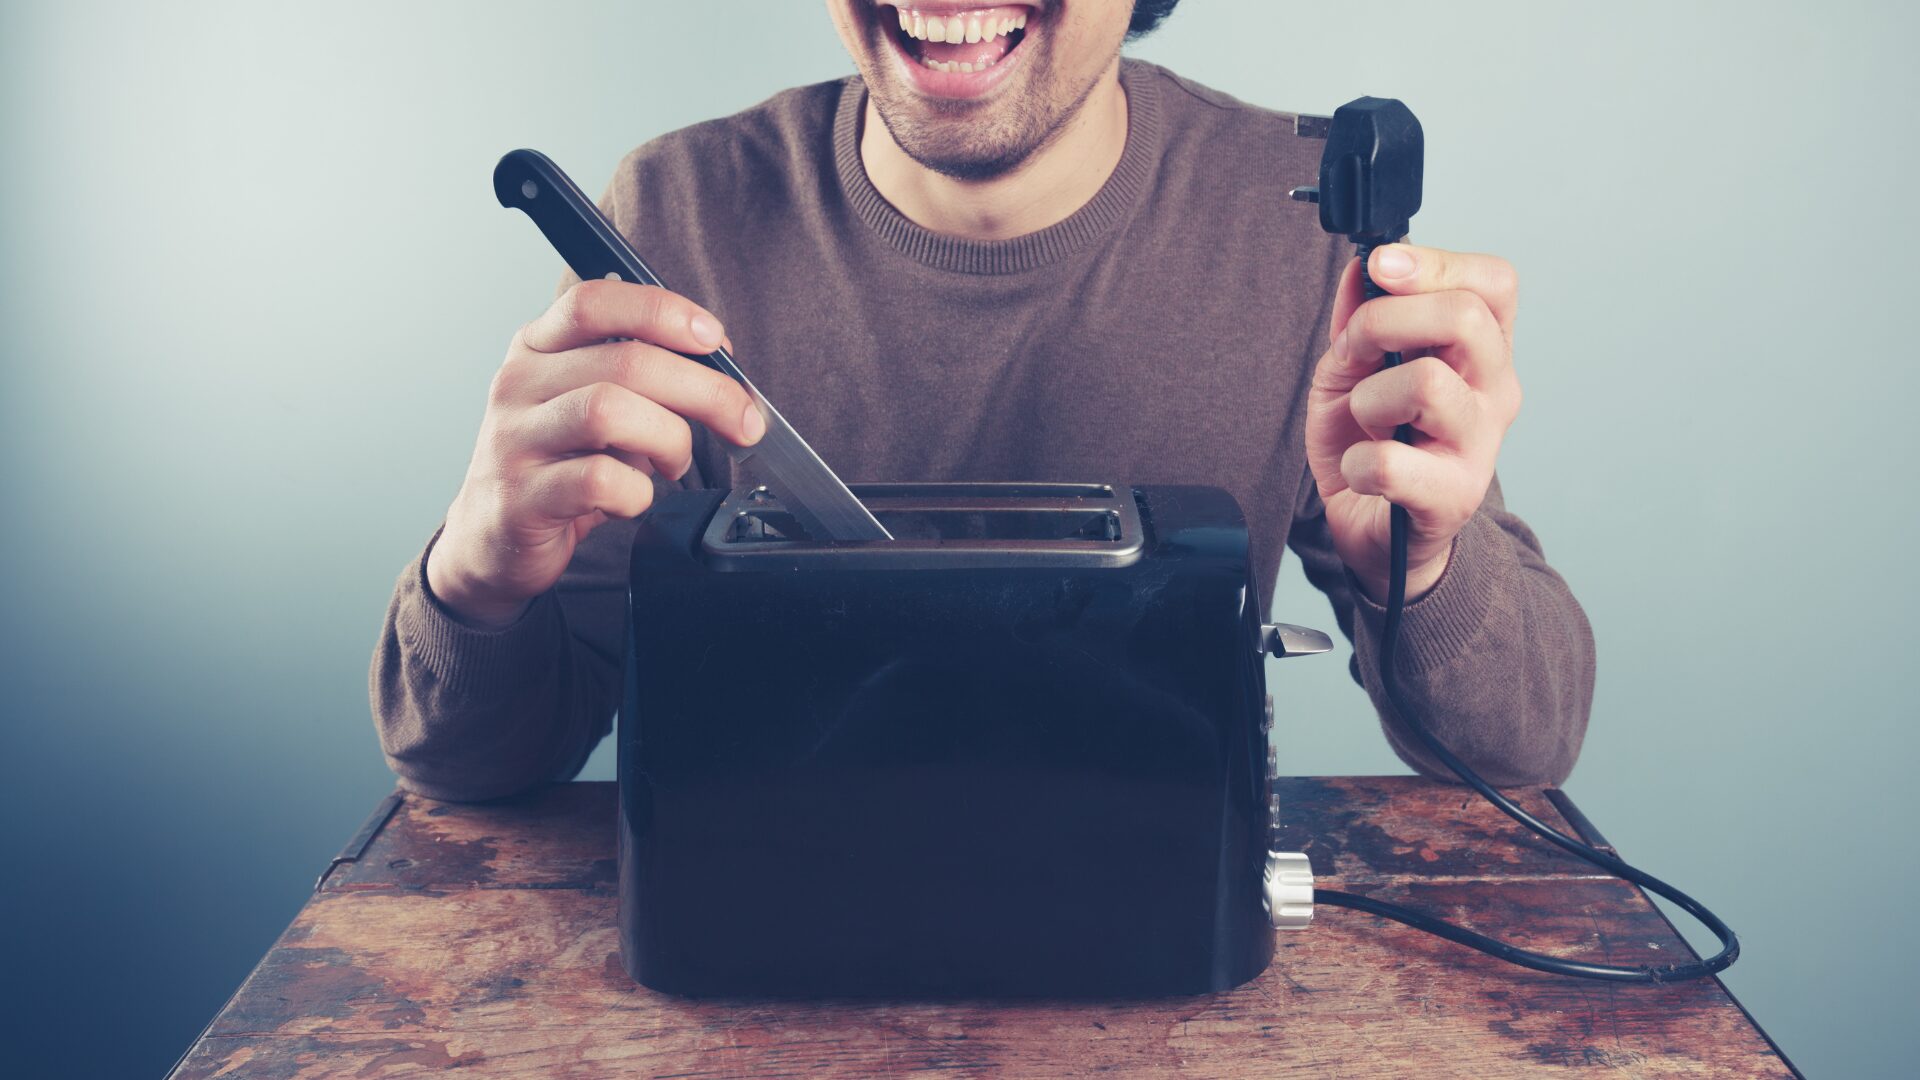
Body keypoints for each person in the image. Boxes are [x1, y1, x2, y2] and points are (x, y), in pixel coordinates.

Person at [371, 0, 1594, 802]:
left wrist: (1423, 565)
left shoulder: (1301, 238)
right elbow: (474, 764)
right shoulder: (674, 217)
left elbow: (1526, 745)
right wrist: (478, 581)